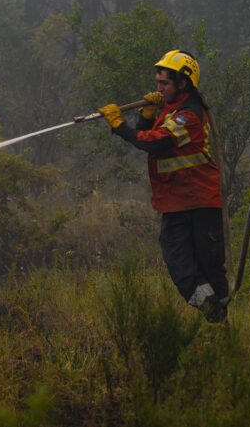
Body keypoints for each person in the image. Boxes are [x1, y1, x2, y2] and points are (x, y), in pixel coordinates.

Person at [97, 50, 229, 323]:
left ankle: (220, 315)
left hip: (200, 201)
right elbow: (150, 136)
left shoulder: (189, 116)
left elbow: (156, 142)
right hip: (176, 202)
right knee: (180, 265)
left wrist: (120, 126)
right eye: (157, 82)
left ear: (183, 83)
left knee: (208, 263)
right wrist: (146, 114)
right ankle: (213, 311)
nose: (158, 88)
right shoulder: (171, 110)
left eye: (164, 83)